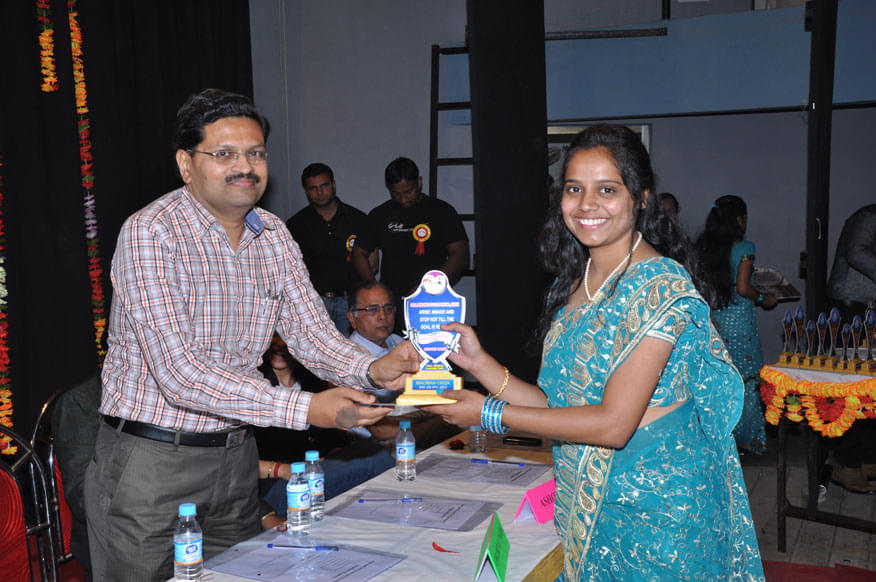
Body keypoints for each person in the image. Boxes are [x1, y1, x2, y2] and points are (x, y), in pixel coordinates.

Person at [84, 89, 418, 581]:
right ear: (186, 163)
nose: (245, 166)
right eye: (225, 154)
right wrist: (308, 408)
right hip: (152, 466)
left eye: (256, 153)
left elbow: (311, 334)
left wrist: (372, 368)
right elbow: (180, 374)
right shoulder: (151, 233)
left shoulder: (274, 235)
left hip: (237, 460)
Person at [430, 125, 763, 580]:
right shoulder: (572, 286)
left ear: (640, 198)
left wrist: (488, 414)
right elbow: (560, 407)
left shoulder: (659, 286)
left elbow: (612, 424)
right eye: (574, 189)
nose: (587, 205)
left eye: (607, 189)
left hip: (660, 522)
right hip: (592, 511)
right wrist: (479, 364)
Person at [694, 195, 776, 456]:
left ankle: (719, 438)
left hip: (713, 320)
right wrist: (764, 297)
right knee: (748, 380)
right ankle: (747, 439)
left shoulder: (703, 247)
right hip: (739, 322)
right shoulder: (744, 248)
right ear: (740, 219)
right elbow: (742, 288)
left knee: (718, 379)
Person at [352, 157, 469, 329]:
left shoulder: (442, 211)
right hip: (393, 303)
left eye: (408, 191)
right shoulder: (380, 215)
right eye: (396, 193)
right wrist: (373, 285)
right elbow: (358, 252)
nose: (404, 199)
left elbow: (460, 255)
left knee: (432, 350)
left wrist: (427, 287)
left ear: (419, 182)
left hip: (433, 301)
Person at [286, 163, 376, 335]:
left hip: (350, 302)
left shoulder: (357, 219)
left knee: (351, 354)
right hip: (313, 303)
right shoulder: (296, 224)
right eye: (313, 188)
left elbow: (372, 263)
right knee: (314, 357)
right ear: (306, 191)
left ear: (333, 185)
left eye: (324, 186)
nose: (320, 193)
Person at [825, 204, 876, 493]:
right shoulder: (870, 216)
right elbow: (857, 252)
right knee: (852, 389)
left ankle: (865, 459)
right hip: (850, 311)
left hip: (864, 311)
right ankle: (845, 464)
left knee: (869, 387)